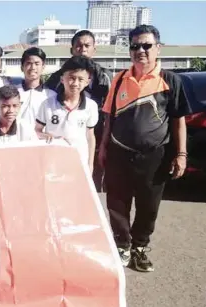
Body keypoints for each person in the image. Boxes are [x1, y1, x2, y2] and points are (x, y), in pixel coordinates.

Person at [99, 25, 190, 272]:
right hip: (119, 154)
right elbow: (110, 117)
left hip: (155, 156)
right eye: (135, 46)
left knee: (148, 206)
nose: (141, 50)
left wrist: (181, 154)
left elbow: (178, 120)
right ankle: (122, 245)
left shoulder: (171, 81)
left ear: (158, 48)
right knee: (117, 203)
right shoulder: (119, 80)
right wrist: (103, 147)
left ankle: (139, 248)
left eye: (146, 45)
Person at [45, 30, 111, 191]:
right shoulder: (56, 78)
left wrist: (104, 144)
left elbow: (110, 113)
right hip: (62, 146)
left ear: (94, 49)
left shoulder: (105, 77)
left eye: (87, 46)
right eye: (78, 46)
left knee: (89, 190)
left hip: (92, 142)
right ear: (72, 49)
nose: (82, 49)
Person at [35, 56, 99, 171]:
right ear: (62, 79)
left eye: (80, 79)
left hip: (79, 162)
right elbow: (37, 131)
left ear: (87, 82)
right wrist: (47, 136)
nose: (75, 83)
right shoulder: (48, 104)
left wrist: (90, 164)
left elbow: (90, 136)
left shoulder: (91, 106)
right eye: (71, 78)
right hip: (53, 162)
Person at [15, 47, 54, 130]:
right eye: (28, 63)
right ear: (22, 67)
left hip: (41, 141)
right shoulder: (13, 92)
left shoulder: (52, 96)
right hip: (17, 141)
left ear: (43, 67)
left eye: (37, 64)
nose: (33, 67)